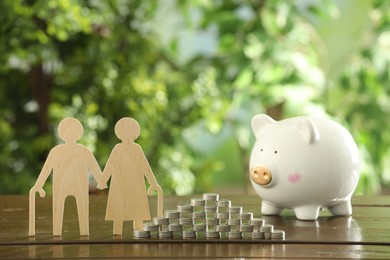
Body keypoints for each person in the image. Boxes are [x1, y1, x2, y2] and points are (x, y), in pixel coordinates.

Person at [30, 117, 104, 236]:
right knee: (60, 209)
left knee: (80, 209)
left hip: (76, 185)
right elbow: (47, 169)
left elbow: (95, 168)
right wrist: (38, 185)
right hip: (64, 185)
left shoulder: (70, 151)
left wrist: (101, 181)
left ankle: (79, 232)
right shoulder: (74, 151)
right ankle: (61, 232)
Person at [98, 117, 162, 235]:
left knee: (137, 210)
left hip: (135, 184)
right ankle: (118, 232)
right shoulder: (118, 149)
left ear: (134, 134)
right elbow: (110, 166)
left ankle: (138, 231)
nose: (127, 135)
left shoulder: (136, 149)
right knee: (118, 209)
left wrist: (153, 183)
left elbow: (145, 167)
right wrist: (102, 180)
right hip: (119, 184)